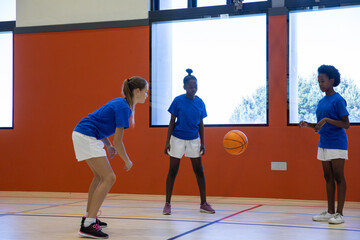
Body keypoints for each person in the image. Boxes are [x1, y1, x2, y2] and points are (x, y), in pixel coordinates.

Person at [72, 77, 148, 238]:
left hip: (84, 133)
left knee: (100, 177)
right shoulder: (124, 108)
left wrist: (108, 145)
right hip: (86, 135)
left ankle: (88, 217)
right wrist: (127, 160)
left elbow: (99, 123)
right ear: (137, 91)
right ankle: (88, 224)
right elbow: (118, 141)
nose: (147, 95)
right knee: (109, 177)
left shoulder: (121, 104)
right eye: (145, 91)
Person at [300, 65, 350, 224]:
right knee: (327, 177)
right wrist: (308, 125)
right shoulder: (321, 102)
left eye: (322, 81)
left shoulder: (338, 99)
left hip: (337, 143)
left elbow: (346, 124)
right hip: (323, 143)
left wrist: (327, 120)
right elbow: (318, 127)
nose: (320, 84)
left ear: (331, 81)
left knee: (338, 177)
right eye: (318, 81)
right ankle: (330, 212)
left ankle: (339, 214)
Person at [163, 69, 215, 215]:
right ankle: (167, 204)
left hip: (194, 140)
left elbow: (201, 124)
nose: (194, 89)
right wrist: (167, 142)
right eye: (191, 86)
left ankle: (203, 203)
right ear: (185, 87)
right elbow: (172, 122)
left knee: (199, 171)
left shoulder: (200, 102)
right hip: (177, 139)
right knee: (173, 171)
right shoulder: (178, 101)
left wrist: (203, 142)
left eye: (195, 86)